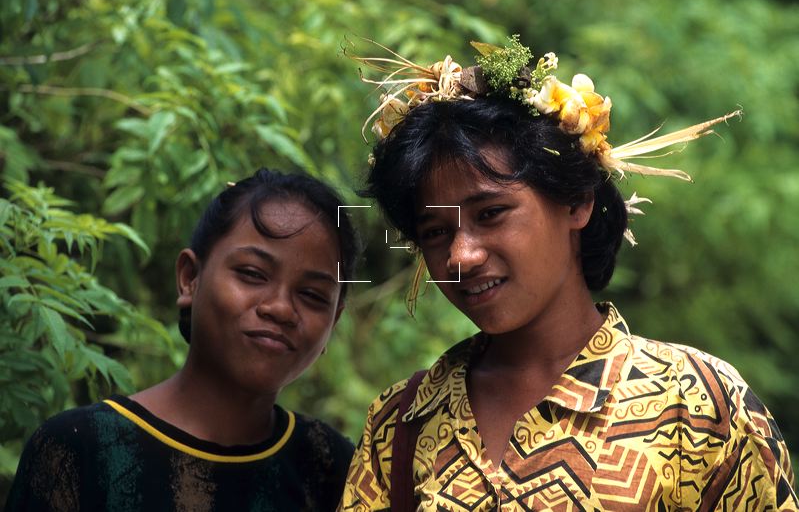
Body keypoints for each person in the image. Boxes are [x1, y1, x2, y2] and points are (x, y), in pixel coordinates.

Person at [339, 37, 798, 510]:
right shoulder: (401, 424)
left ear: (577, 201)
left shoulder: (697, 406)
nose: (461, 255)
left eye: (491, 213)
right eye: (435, 231)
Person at [6, 168, 360, 511]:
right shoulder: (79, 449)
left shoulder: (333, 468)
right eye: (252, 274)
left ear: (334, 321)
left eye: (313, 295)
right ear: (190, 278)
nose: (281, 308)